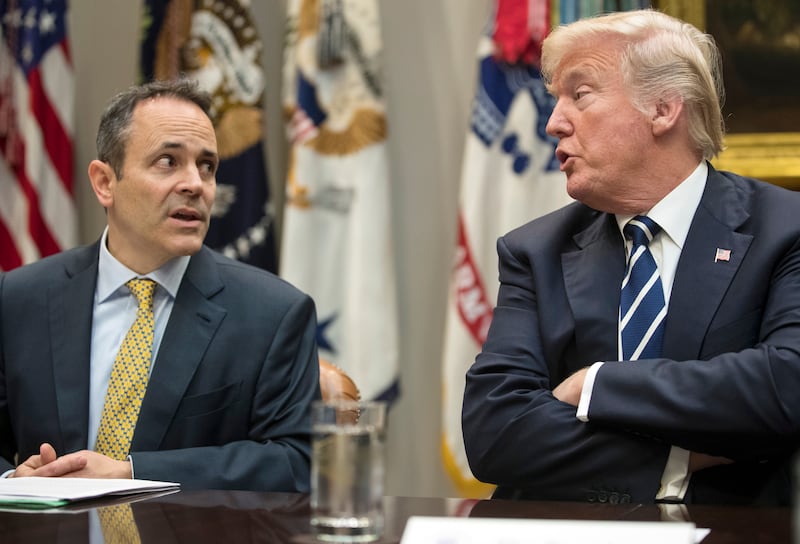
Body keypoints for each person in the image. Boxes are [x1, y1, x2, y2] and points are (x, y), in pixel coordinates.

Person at [462, 9, 800, 506]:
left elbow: (785, 386)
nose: (554, 123)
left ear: (663, 108)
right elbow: (495, 431)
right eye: (555, 100)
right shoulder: (534, 250)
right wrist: (676, 460)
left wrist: (596, 384)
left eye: (580, 95)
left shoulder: (784, 229)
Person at [0, 79, 321, 491]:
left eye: (207, 166)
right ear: (104, 182)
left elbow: (297, 464)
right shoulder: (20, 299)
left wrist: (131, 473)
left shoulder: (273, 314)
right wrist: (15, 480)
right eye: (168, 161)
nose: (196, 185)